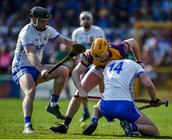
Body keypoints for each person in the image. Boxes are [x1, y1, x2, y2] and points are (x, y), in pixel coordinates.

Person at [50, 37, 142, 133]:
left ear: (107, 49)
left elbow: (133, 41)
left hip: (116, 72)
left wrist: (138, 61)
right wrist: (81, 90)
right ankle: (65, 125)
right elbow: (75, 72)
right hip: (99, 70)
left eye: (100, 56)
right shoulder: (90, 55)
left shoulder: (119, 48)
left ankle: (130, 124)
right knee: (77, 95)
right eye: (96, 56)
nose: (98, 58)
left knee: (121, 98)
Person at [11, 6, 74, 134]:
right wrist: (41, 69)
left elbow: (65, 40)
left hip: (37, 67)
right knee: (31, 90)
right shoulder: (26, 32)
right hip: (21, 67)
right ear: (33, 19)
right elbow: (30, 54)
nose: (46, 23)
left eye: (47, 20)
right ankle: (27, 126)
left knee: (64, 71)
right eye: (42, 20)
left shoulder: (48, 29)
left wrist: (84, 49)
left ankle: (52, 105)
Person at [82, 59, 161, 137]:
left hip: (106, 106)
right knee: (154, 131)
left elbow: (103, 85)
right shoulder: (135, 64)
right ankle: (132, 127)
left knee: (97, 107)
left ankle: (94, 120)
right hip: (124, 107)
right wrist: (154, 100)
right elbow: (149, 86)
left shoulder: (109, 64)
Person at [72, 11, 105, 122]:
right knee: (82, 86)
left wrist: (94, 43)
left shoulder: (98, 31)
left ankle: (104, 106)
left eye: (88, 18)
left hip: (96, 61)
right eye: (83, 18)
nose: (85, 20)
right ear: (80, 20)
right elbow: (74, 49)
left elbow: (105, 46)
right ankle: (85, 110)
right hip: (83, 61)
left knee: (101, 83)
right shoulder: (76, 32)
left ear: (91, 20)